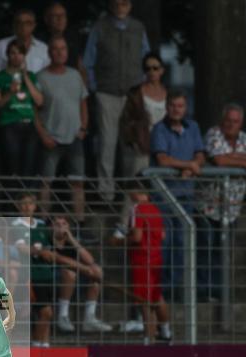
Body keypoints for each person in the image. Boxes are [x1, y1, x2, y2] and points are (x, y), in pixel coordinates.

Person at [84, 0, 150, 207]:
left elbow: (146, 59)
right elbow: (88, 62)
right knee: (107, 144)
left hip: (132, 95)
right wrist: (96, 89)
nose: (121, 4)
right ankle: (106, 195)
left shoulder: (139, 28)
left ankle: (132, 196)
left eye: (125, 2)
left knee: (132, 144)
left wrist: (141, 89)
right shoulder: (99, 27)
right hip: (107, 93)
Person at [199, 103, 246, 302]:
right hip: (209, 207)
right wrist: (243, 162)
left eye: (235, 121)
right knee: (206, 251)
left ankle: (219, 293)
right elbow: (218, 161)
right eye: (228, 120)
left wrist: (232, 156)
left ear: (240, 123)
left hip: (232, 208)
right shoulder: (213, 133)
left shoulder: (245, 138)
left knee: (224, 252)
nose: (231, 125)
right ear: (222, 120)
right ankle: (203, 293)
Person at [149, 89, 205, 301]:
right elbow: (162, 159)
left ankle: (174, 290)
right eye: (173, 105)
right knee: (165, 243)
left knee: (183, 243)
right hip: (163, 196)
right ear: (167, 107)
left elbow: (200, 154)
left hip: (186, 196)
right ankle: (159, 291)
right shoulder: (159, 129)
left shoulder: (194, 127)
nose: (176, 109)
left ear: (185, 108)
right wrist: (188, 164)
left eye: (180, 106)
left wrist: (193, 166)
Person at [35, 35, 88, 225]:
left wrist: (83, 127)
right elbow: (33, 110)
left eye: (63, 48)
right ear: (49, 53)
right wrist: (43, 134)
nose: (59, 52)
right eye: (55, 49)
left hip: (74, 137)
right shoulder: (41, 77)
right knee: (46, 182)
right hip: (51, 138)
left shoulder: (75, 75)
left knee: (78, 182)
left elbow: (83, 101)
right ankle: (41, 221)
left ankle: (79, 223)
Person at [50, 216, 112, 333]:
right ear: (51, 227)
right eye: (57, 224)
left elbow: (90, 260)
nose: (61, 228)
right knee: (69, 273)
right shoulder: (48, 240)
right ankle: (62, 316)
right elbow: (59, 259)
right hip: (54, 277)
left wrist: (72, 240)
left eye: (64, 224)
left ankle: (90, 317)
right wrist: (83, 268)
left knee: (96, 270)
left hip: (76, 278)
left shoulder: (71, 243)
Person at [125, 191, 170, 344]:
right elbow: (162, 235)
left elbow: (137, 237)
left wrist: (120, 240)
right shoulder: (155, 209)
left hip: (142, 258)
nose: (129, 196)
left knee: (145, 299)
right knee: (156, 295)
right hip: (156, 256)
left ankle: (148, 338)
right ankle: (165, 332)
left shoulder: (137, 209)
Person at [0, 39, 43, 177]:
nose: (16, 56)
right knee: (12, 168)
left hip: (29, 124)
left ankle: (25, 197)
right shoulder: (0, 77)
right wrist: (9, 92)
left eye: (20, 53)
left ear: (25, 55)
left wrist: (25, 76)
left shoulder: (32, 76)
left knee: (29, 169)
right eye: (13, 53)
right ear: (7, 55)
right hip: (9, 125)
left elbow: (39, 101)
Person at [10, 194, 53, 346]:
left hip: (47, 273)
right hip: (30, 274)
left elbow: (50, 247)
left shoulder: (42, 225)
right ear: (18, 206)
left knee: (47, 313)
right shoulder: (15, 225)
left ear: (35, 206)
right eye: (23, 203)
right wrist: (40, 252)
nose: (27, 207)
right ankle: (36, 344)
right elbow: (22, 248)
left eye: (30, 203)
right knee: (45, 311)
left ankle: (44, 345)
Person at [0, 8, 50, 74]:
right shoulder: (2, 45)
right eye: (19, 22)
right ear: (14, 25)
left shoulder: (43, 48)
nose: (23, 26)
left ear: (34, 25)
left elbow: (48, 74)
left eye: (28, 23)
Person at [42, 2, 84, 75]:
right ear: (46, 19)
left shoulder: (73, 37)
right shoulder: (40, 41)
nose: (60, 19)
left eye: (63, 15)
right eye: (56, 16)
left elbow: (80, 65)